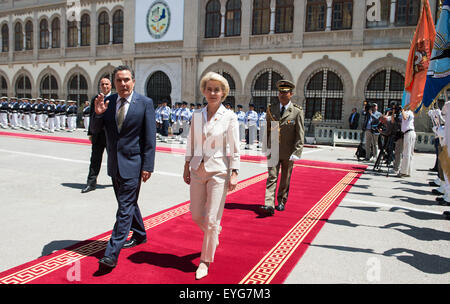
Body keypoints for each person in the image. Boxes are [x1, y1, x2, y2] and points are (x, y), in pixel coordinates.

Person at [91, 65, 156, 269]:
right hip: (114, 164)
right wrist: (98, 114)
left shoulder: (145, 103)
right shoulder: (107, 102)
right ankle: (140, 234)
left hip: (134, 165)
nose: (123, 84)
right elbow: (95, 131)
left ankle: (111, 253)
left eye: (126, 80)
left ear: (133, 81)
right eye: (119, 80)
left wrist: (148, 165)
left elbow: (150, 137)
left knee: (125, 208)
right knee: (128, 203)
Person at [183, 71, 240, 280]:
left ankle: (205, 261)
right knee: (196, 214)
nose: (213, 92)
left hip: (218, 172)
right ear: (204, 91)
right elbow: (191, 142)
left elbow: (234, 147)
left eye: (217, 89)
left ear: (223, 93)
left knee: (213, 218)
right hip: (197, 169)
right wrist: (186, 165)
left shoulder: (230, 117)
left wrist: (234, 172)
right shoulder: (197, 115)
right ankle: (214, 233)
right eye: (209, 89)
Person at [259, 80, 304, 216]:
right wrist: (265, 146)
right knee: (272, 176)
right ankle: (269, 203)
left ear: (291, 94)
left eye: (285, 92)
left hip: (288, 151)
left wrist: (297, 151)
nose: (282, 95)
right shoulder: (271, 108)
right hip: (273, 149)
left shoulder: (296, 111)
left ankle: (282, 200)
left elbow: (300, 133)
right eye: (280, 92)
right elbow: (267, 128)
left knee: (285, 178)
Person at [82, 77, 112, 194]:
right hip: (98, 134)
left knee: (114, 160)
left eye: (107, 84)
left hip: (110, 135)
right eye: (102, 84)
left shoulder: (115, 98)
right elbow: (92, 117)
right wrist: (90, 133)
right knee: (95, 160)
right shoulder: (95, 98)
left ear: (111, 86)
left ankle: (118, 182)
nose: (105, 86)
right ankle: (91, 183)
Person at [397, 107, 416, 178]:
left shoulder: (408, 113)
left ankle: (403, 172)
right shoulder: (410, 113)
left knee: (406, 153)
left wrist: (402, 110)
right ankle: (408, 171)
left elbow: (405, 118)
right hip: (410, 133)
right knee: (409, 154)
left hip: (408, 133)